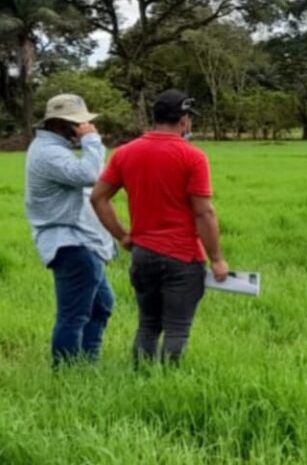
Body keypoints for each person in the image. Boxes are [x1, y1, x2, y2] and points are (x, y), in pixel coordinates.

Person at [91, 91, 228, 366]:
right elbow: (204, 212)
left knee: (148, 326)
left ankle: (143, 379)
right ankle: (169, 384)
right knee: (178, 329)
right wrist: (217, 259)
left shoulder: (125, 153)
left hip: (143, 255)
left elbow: (98, 197)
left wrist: (122, 235)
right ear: (185, 120)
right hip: (183, 256)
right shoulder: (193, 156)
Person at [25, 94, 116, 367]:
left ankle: (88, 365)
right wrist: (92, 141)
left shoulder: (52, 150)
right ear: (60, 124)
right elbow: (90, 175)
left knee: (101, 306)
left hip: (81, 241)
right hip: (70, 242)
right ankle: (67, 374)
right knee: (73, 315)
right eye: (78, 124)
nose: (83, 127)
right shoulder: (49, 152)